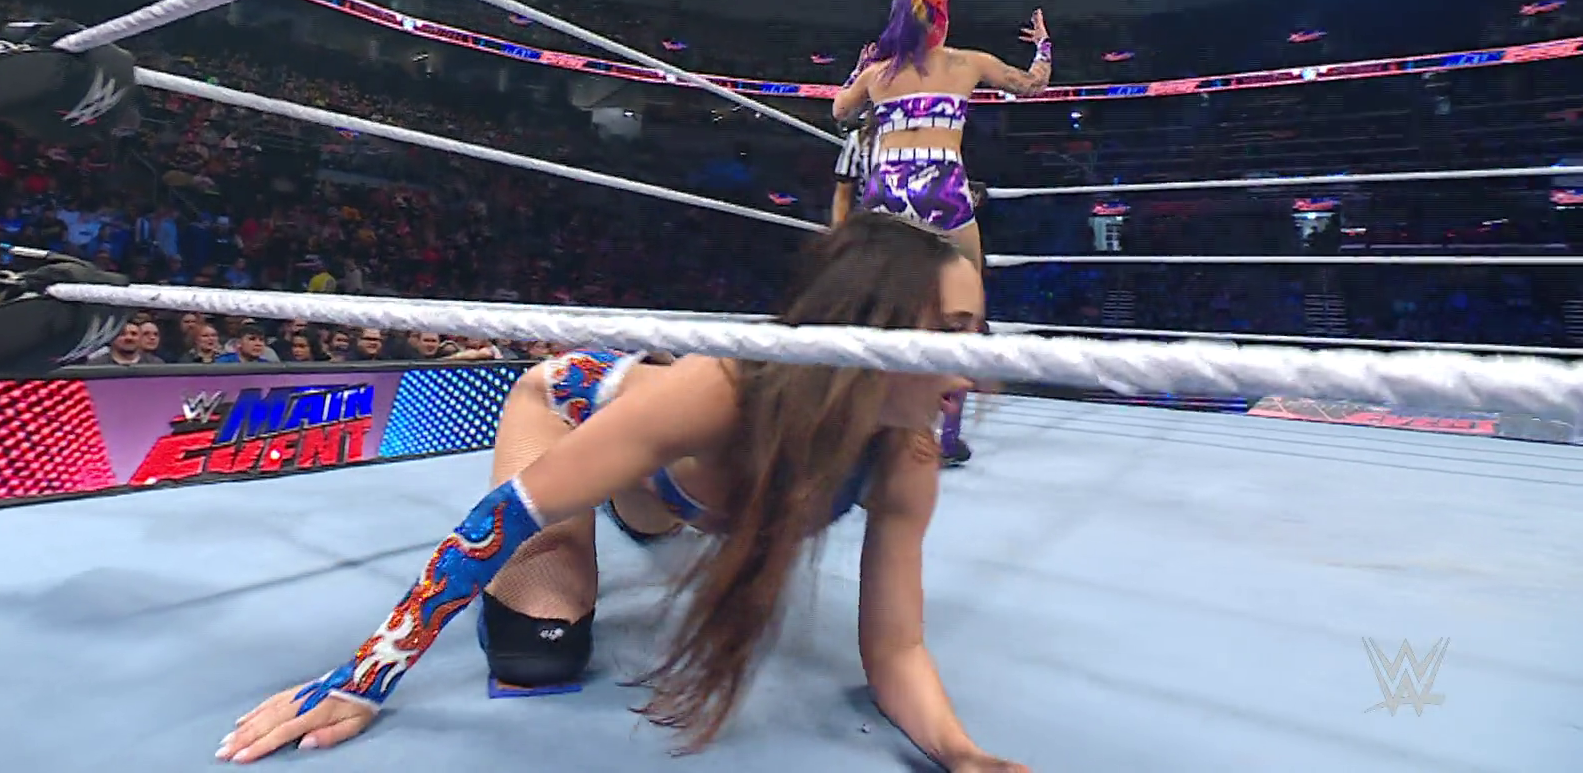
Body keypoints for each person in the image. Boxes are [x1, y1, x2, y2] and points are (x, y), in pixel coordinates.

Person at [220, 214, 1026, 772]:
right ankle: (608, 481)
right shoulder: (724, 390)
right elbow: (498, 522)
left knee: (647, 500)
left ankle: (622, 486)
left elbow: (896, 650)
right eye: (949, 332)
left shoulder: (905, 451)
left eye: (976, 334)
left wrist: (963, 754)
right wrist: (364, 678)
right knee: (540, 653)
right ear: (871, 326)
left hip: (662, 487)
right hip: (567, 409)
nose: (971, 367)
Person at [832, 0, 1051, 272]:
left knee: (886, 284)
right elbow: (1034, 84)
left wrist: (860, 70)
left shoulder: (877, 73)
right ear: (942, 24)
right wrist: (1043, 44)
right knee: (968, 278)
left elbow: (840, 111)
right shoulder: (969, 62)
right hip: (940, 179)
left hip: (886, 182)